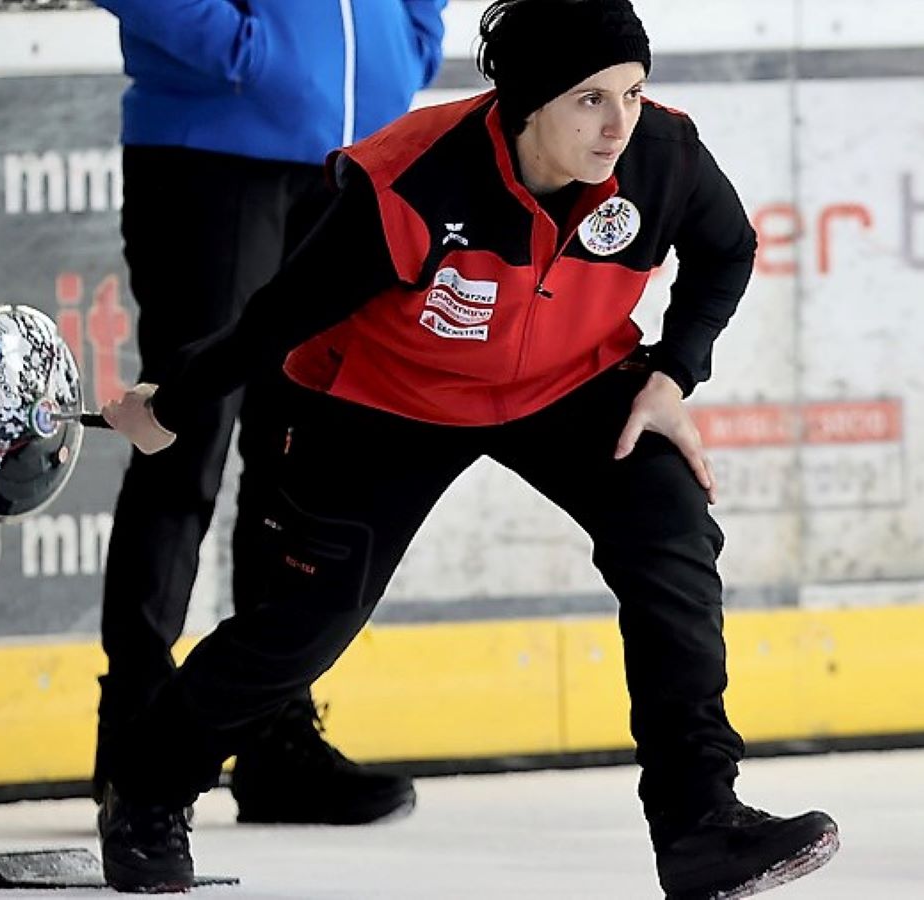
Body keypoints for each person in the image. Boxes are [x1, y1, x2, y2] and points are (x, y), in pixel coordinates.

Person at [99, 0, 841, 895]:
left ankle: (700, 823)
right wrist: (172, 401)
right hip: (391, 399)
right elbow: (278, 316)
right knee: (307, 620)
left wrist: (673, 374)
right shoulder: (413, 183)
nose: (618, 124)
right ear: (530, 101)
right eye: (589, 100)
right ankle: (147, 788)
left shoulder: (663, 157)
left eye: (633, 93)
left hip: (570, 382)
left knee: (671, 531)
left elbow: (729, 250)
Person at [89, 0, 448, 830]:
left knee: (302, 452)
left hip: (353, 154)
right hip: (213, 145)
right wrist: (245, 51)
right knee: (181, 435)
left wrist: (409, 41)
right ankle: (137, 737)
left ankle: (272, 736)